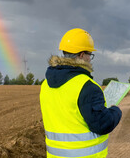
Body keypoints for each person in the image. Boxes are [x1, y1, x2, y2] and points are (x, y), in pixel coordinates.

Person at [40, 28, 122, 158]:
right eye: (90, 54)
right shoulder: (87, 86)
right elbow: (102, 124)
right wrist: (116, 111)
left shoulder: (45, 85)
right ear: (82, 55)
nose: (90, 59)